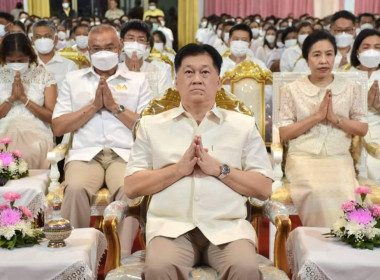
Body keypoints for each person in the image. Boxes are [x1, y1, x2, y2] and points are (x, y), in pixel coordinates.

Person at [124, 43, 273, 280]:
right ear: (176, 81)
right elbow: (131, 187)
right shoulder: (152, 126)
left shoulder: (242, 125)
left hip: (227, 229)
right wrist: (178, 170)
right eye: (188, 72)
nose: (196, 79)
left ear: (218, 81)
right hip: (171, 229)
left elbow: (264, 189)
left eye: (205, 72)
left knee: (245, 269)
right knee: (158, 269)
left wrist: (220, 170)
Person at [52, 24, 152, 256]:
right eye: (96, 49)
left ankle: (122, 257)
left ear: (119, 49)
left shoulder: (138, 81)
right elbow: (58, 125)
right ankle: (74, 256)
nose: (103, 53)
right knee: (75, 189)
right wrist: (94, 107)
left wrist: (115, 108)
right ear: (88, 51)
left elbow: (147, 126)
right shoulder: (73, 79)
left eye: (109, 47)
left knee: (130, 191)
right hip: (85, 154)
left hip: (124, 153)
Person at [279, 30, 368, 227]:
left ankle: (348, 243)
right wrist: (317, 117)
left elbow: (362, 129)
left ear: (335, 56)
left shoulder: (350, 87)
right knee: (316, 191)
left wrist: (335, 118)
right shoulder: (292, 89)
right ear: (306, 58)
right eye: (316, 55)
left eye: (329, 54)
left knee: (344, 192)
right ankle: (321, 248)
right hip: (303, 157)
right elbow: (285, 133)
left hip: (338, 157)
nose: (323, 60)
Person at [0, 33, 57, 168]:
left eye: (20, 60)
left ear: (29, 56)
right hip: (3, 128)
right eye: (11, 60)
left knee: (29, 151)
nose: (16, 64)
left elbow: (52, 116)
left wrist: (24, 99)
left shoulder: (44, 76)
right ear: (4, 59)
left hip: (36, 130)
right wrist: (12, 99)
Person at [348, 29, 380, 182]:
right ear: (357, 52)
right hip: (350, 133)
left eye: (377, 47)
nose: (372, 52)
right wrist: (365, 105)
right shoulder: (344, 76)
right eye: (366, 47)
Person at [121, 20, 173, 97]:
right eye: (131, 38)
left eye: (140, 39)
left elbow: (166, 103)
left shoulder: (161, 70)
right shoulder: (114, 70)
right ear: (121, 42)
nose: (135, 43)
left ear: (146, 45)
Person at [32, 20, 78, 90]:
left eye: (47, 36)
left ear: (55, 39)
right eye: (38, 37)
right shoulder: (28, 65)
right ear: (32, 40)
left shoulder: (69, 65)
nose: (43, 40)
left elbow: (74, 91)